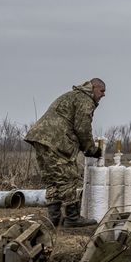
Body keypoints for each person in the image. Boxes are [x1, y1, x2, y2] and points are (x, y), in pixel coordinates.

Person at [24, 78, 105, 226]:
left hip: (42, 138)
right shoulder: (85, 100)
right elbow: (82, 127)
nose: (103, 95)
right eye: (102, 90)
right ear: (93, 88)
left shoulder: (73, 95)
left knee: (53, 178)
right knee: (68, 175)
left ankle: (54, 218)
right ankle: (72, 218)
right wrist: (91, 149)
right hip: (56, 140)